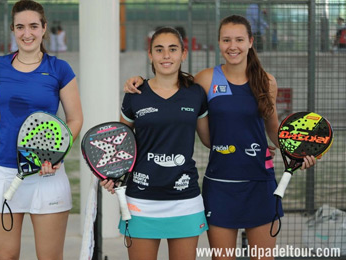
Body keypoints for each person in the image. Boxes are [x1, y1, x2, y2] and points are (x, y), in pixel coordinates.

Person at [123, 15, 316, 260]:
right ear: (219, 43)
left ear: (250, 42)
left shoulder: (267, 82)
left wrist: (298, 153)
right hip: (220, 184)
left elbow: (274, 129)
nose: (232, 46)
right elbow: (169, 84)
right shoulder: (204, 80)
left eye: (239, 39)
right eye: (226, 40)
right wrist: (139, 81)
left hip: (260, 182)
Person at [0, 1, 83, 259]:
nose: (27, 33)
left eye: (34, 26)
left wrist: (56, 154)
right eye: (20, 27)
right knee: (5, 256)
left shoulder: (60, 69)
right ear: (13, 30)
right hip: (3, 173)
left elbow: (75, 119)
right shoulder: (0, 66)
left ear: (44, 28)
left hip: (46, 175)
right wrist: (2, 143)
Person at [101, 27, 209, 260]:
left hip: (185, 199)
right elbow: (120, 142)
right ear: (150, 55)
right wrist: (111, 174)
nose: (166, 55)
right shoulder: (135, 93)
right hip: (141, 198)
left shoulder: (196, 94)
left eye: (173, 49)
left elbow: (209, 140)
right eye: (159, 50)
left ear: (183, 53)